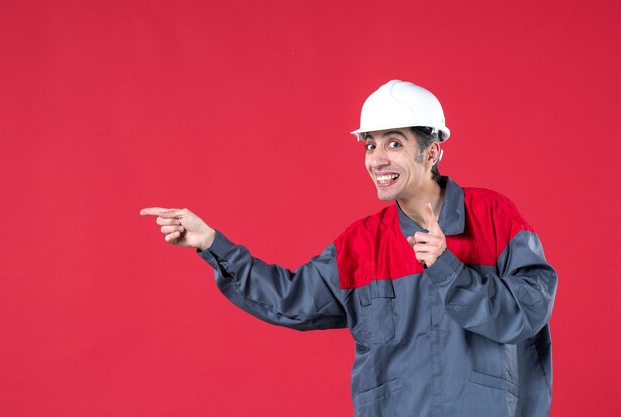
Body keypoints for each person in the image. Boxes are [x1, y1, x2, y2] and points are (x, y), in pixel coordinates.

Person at [140, 80, 557, 417]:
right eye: (369, 145)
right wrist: (214, 243)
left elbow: (529, 312)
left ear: (432, 152)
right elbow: (291, 300)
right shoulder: (361, 244)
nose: (376, 159)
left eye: (393, 143)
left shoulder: (493, 216)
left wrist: (449, 269)